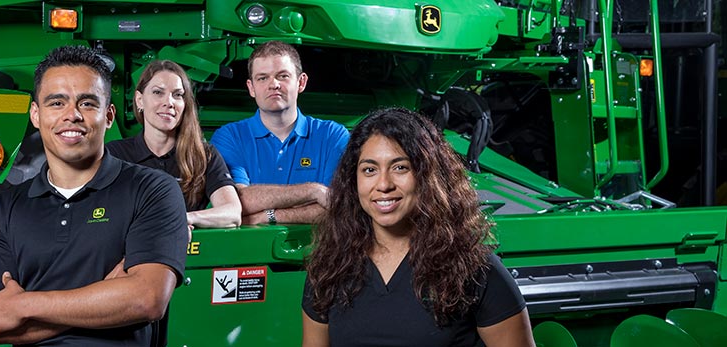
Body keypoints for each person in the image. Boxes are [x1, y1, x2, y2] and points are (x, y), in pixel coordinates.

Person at [0, 45, 189, 346]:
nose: (71, 115)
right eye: (56, 103)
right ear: (35, 114)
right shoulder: (4, 210)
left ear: (108, 115)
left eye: (87, 103)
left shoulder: (153, 190)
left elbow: (147, 300)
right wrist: (105, 295)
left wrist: (24, 305)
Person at [301, 108, 534, 346]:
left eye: (400, 167)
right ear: (353, 180)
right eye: (369, 170)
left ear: (427, 175)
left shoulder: (475, 269)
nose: (383, 184)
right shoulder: (329, 268)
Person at [210, 41, 349, 225]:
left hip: (320, 250)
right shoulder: (229, 137)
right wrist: (313, 191)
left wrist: (267, 216)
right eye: (262, 78)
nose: (273, 84)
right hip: (249, 251)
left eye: (282, 76)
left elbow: (340, 206)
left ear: (301, 82)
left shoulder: (332, 136)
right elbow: (238, 201)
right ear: (251, 88)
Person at [107, 60, 241, 229]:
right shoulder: (115, 154)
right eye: (158, 92)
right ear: (140, 100)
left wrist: (185, 218)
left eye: (177, 95)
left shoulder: (204, 155)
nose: (169, 102)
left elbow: (232, 213)